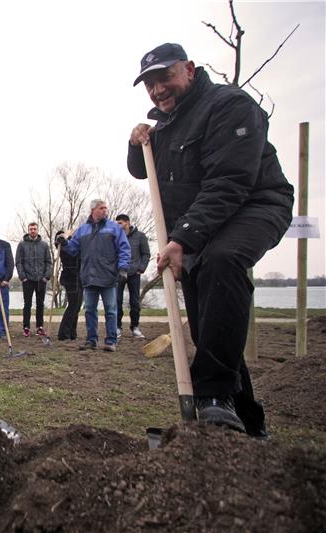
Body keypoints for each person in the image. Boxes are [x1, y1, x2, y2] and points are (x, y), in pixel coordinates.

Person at [128, 43, 293, 435]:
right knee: (210, 326)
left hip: (253, 204)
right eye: (149, 84)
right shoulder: (165, 127)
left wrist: (183, 238)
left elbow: (229, 181)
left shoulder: (230, 105)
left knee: (223, 260)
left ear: (189, 69)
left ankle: (212, 397)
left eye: (164, 78)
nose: (157, 90)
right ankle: (248, 423)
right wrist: (137, 142)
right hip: (203, 225)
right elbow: (142, 172)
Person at [63, 200, 130, 352]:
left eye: (106, 208)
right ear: (93, 210)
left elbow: (124, 248)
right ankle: (91, 340)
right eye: (101, 208)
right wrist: (64, 243)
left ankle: (111, 341)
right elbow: (74, 249)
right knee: (89, 310)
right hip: (89, 276)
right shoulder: (83, 230)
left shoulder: (114, 228)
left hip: (109, 276)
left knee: (111, 310)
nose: (105, 210)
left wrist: (123, 269)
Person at [114, 214, 150, 338]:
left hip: (134, 273)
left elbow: (146, 254)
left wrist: (141, 268)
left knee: (134, 301)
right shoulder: (115, 237)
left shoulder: (140, 237)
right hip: (119, 274)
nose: (117, 225)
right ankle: (117, 327)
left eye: (120, 223)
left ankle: (135, 327)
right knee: (117, 301)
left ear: (127, 223)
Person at [15, 222, 52, 338]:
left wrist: (46, 276)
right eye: (31, 229)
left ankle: (39, 327)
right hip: (28, 279)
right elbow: (18, 262)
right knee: (27, 304)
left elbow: (48, 262)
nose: (33, 231)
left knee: (40, 304)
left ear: (37, 230)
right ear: (28, 230)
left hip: (41, 279)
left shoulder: (44, 245)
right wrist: (23, 277)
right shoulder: (22, 245)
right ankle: (26, 327)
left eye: (35, 229)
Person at [54, 230, 81, 342]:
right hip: (70, 278)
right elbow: (58, 242)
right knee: (73, 305)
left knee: (77, 306)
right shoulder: (63, 245)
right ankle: (63, 333)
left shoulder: (75, 243)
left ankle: (72, 333)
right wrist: (63, 237)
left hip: (80, 277)